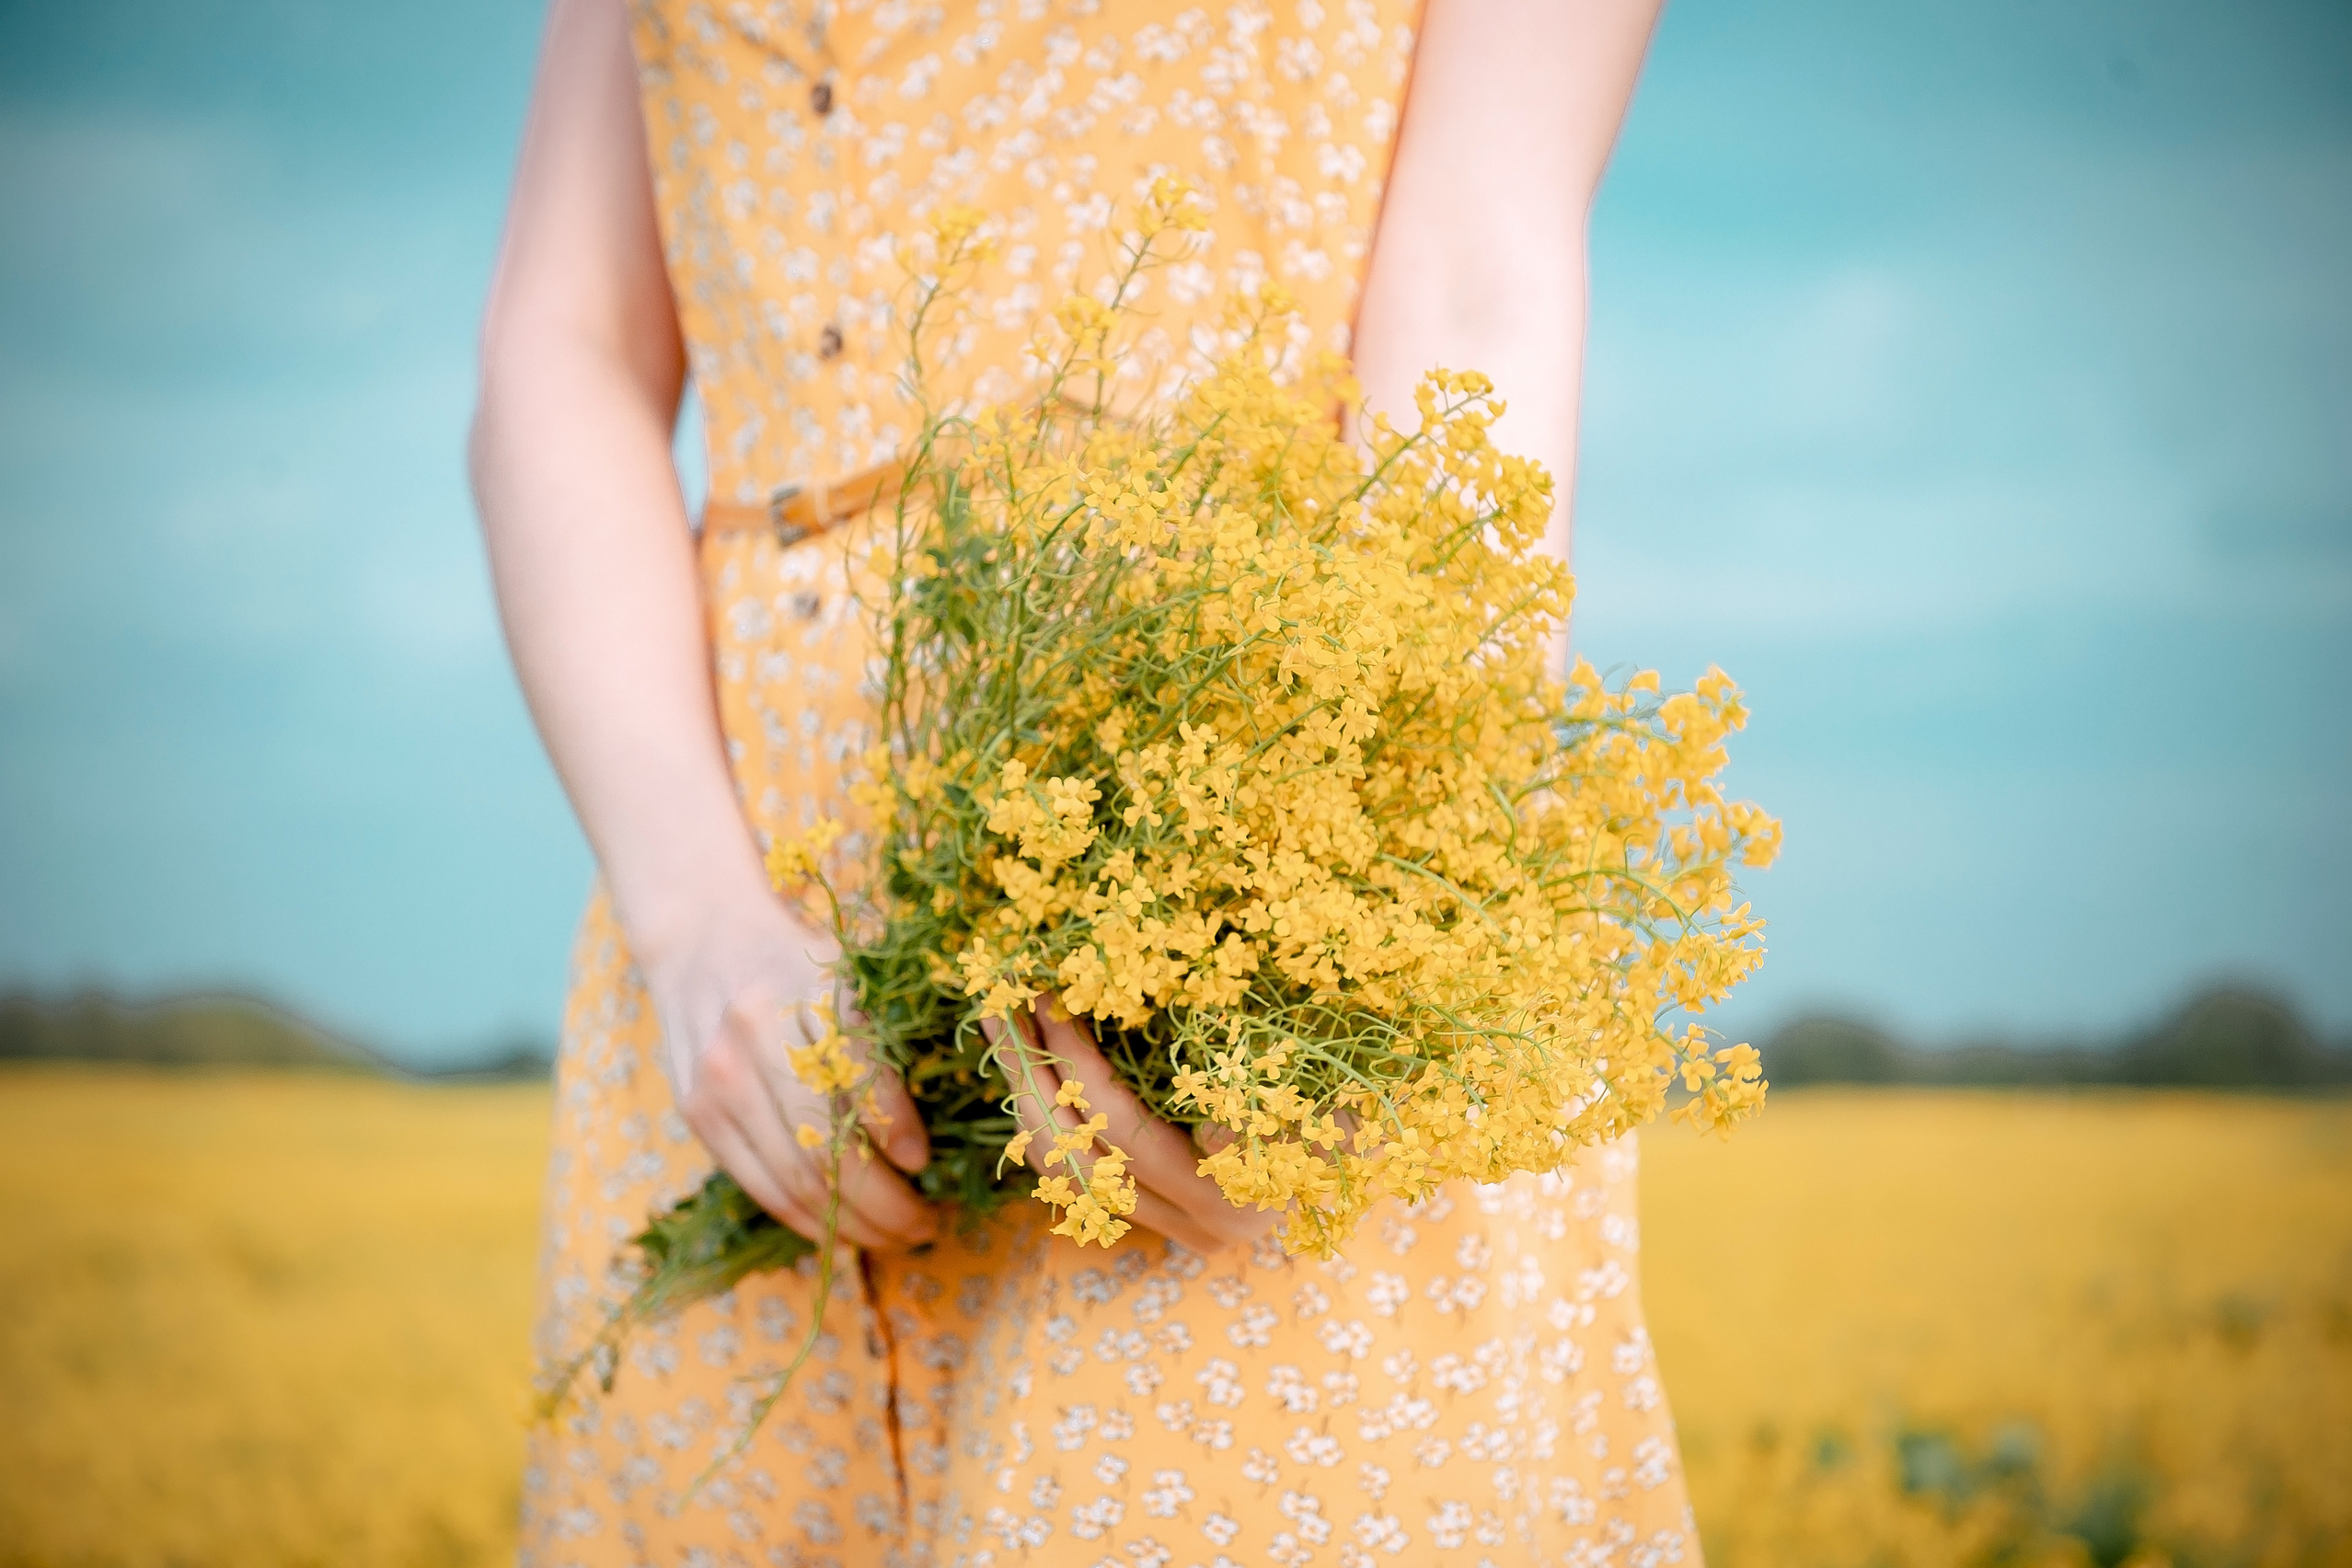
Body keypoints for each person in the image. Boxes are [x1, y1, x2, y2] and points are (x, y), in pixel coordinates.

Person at [471, 0, 1689, 1562]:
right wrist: (696, 914)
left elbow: (1477, 288)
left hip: (1245, 901)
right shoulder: (709, 941)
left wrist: (1360, 952)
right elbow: (558, 340)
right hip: (746, 988)